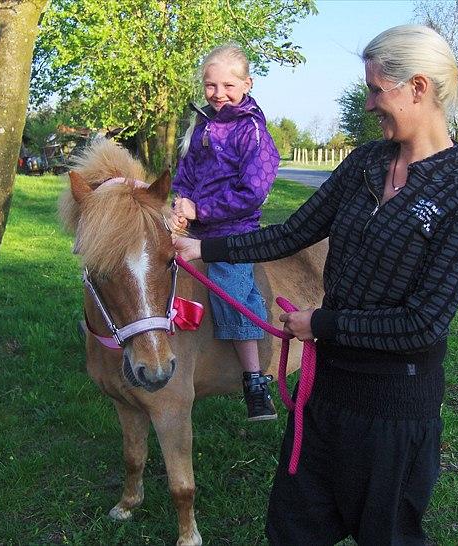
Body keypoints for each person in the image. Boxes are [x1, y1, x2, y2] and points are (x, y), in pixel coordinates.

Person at [173, 25, 458, 544]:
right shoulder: (367, 164)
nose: (368, 105)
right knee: (292, 530)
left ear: (417, 87)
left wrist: (319, 323)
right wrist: (204, 249)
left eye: (375, 90)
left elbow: (423, 323)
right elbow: (295, 232)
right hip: (321, 396)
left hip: (393, 411)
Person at [171, 44, 281, 421]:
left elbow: (253, 192)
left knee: (232, 290)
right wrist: (180, 204)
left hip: (233, 231)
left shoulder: (251, 132)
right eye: (210, 85)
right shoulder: (203, 124)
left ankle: (254, 381)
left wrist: (201, 209)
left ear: (247, 84)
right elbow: (185, 173)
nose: (219, 94)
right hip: (197, 226)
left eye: (229, 85)